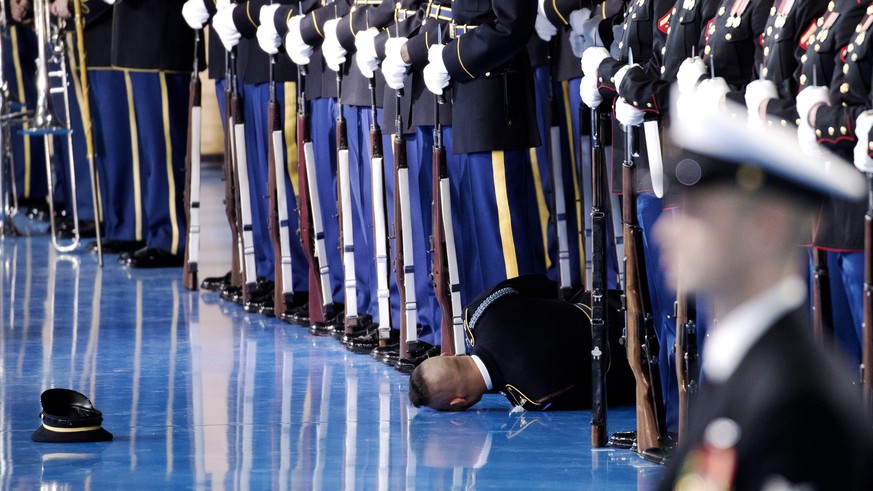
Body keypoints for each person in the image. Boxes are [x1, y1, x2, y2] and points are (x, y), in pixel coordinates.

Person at [655, 89, 873, 489]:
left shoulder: (797, 405)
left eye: (697, 213)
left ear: (766, 227)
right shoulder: (745, 365)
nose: (666, 230)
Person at [408, 274, 634, 411]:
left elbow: (603, 394)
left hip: (634, 364)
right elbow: (541, 284)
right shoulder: (477, 312)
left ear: (458, 403)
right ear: (447, 356)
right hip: (620, 302)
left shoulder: (531, 397)